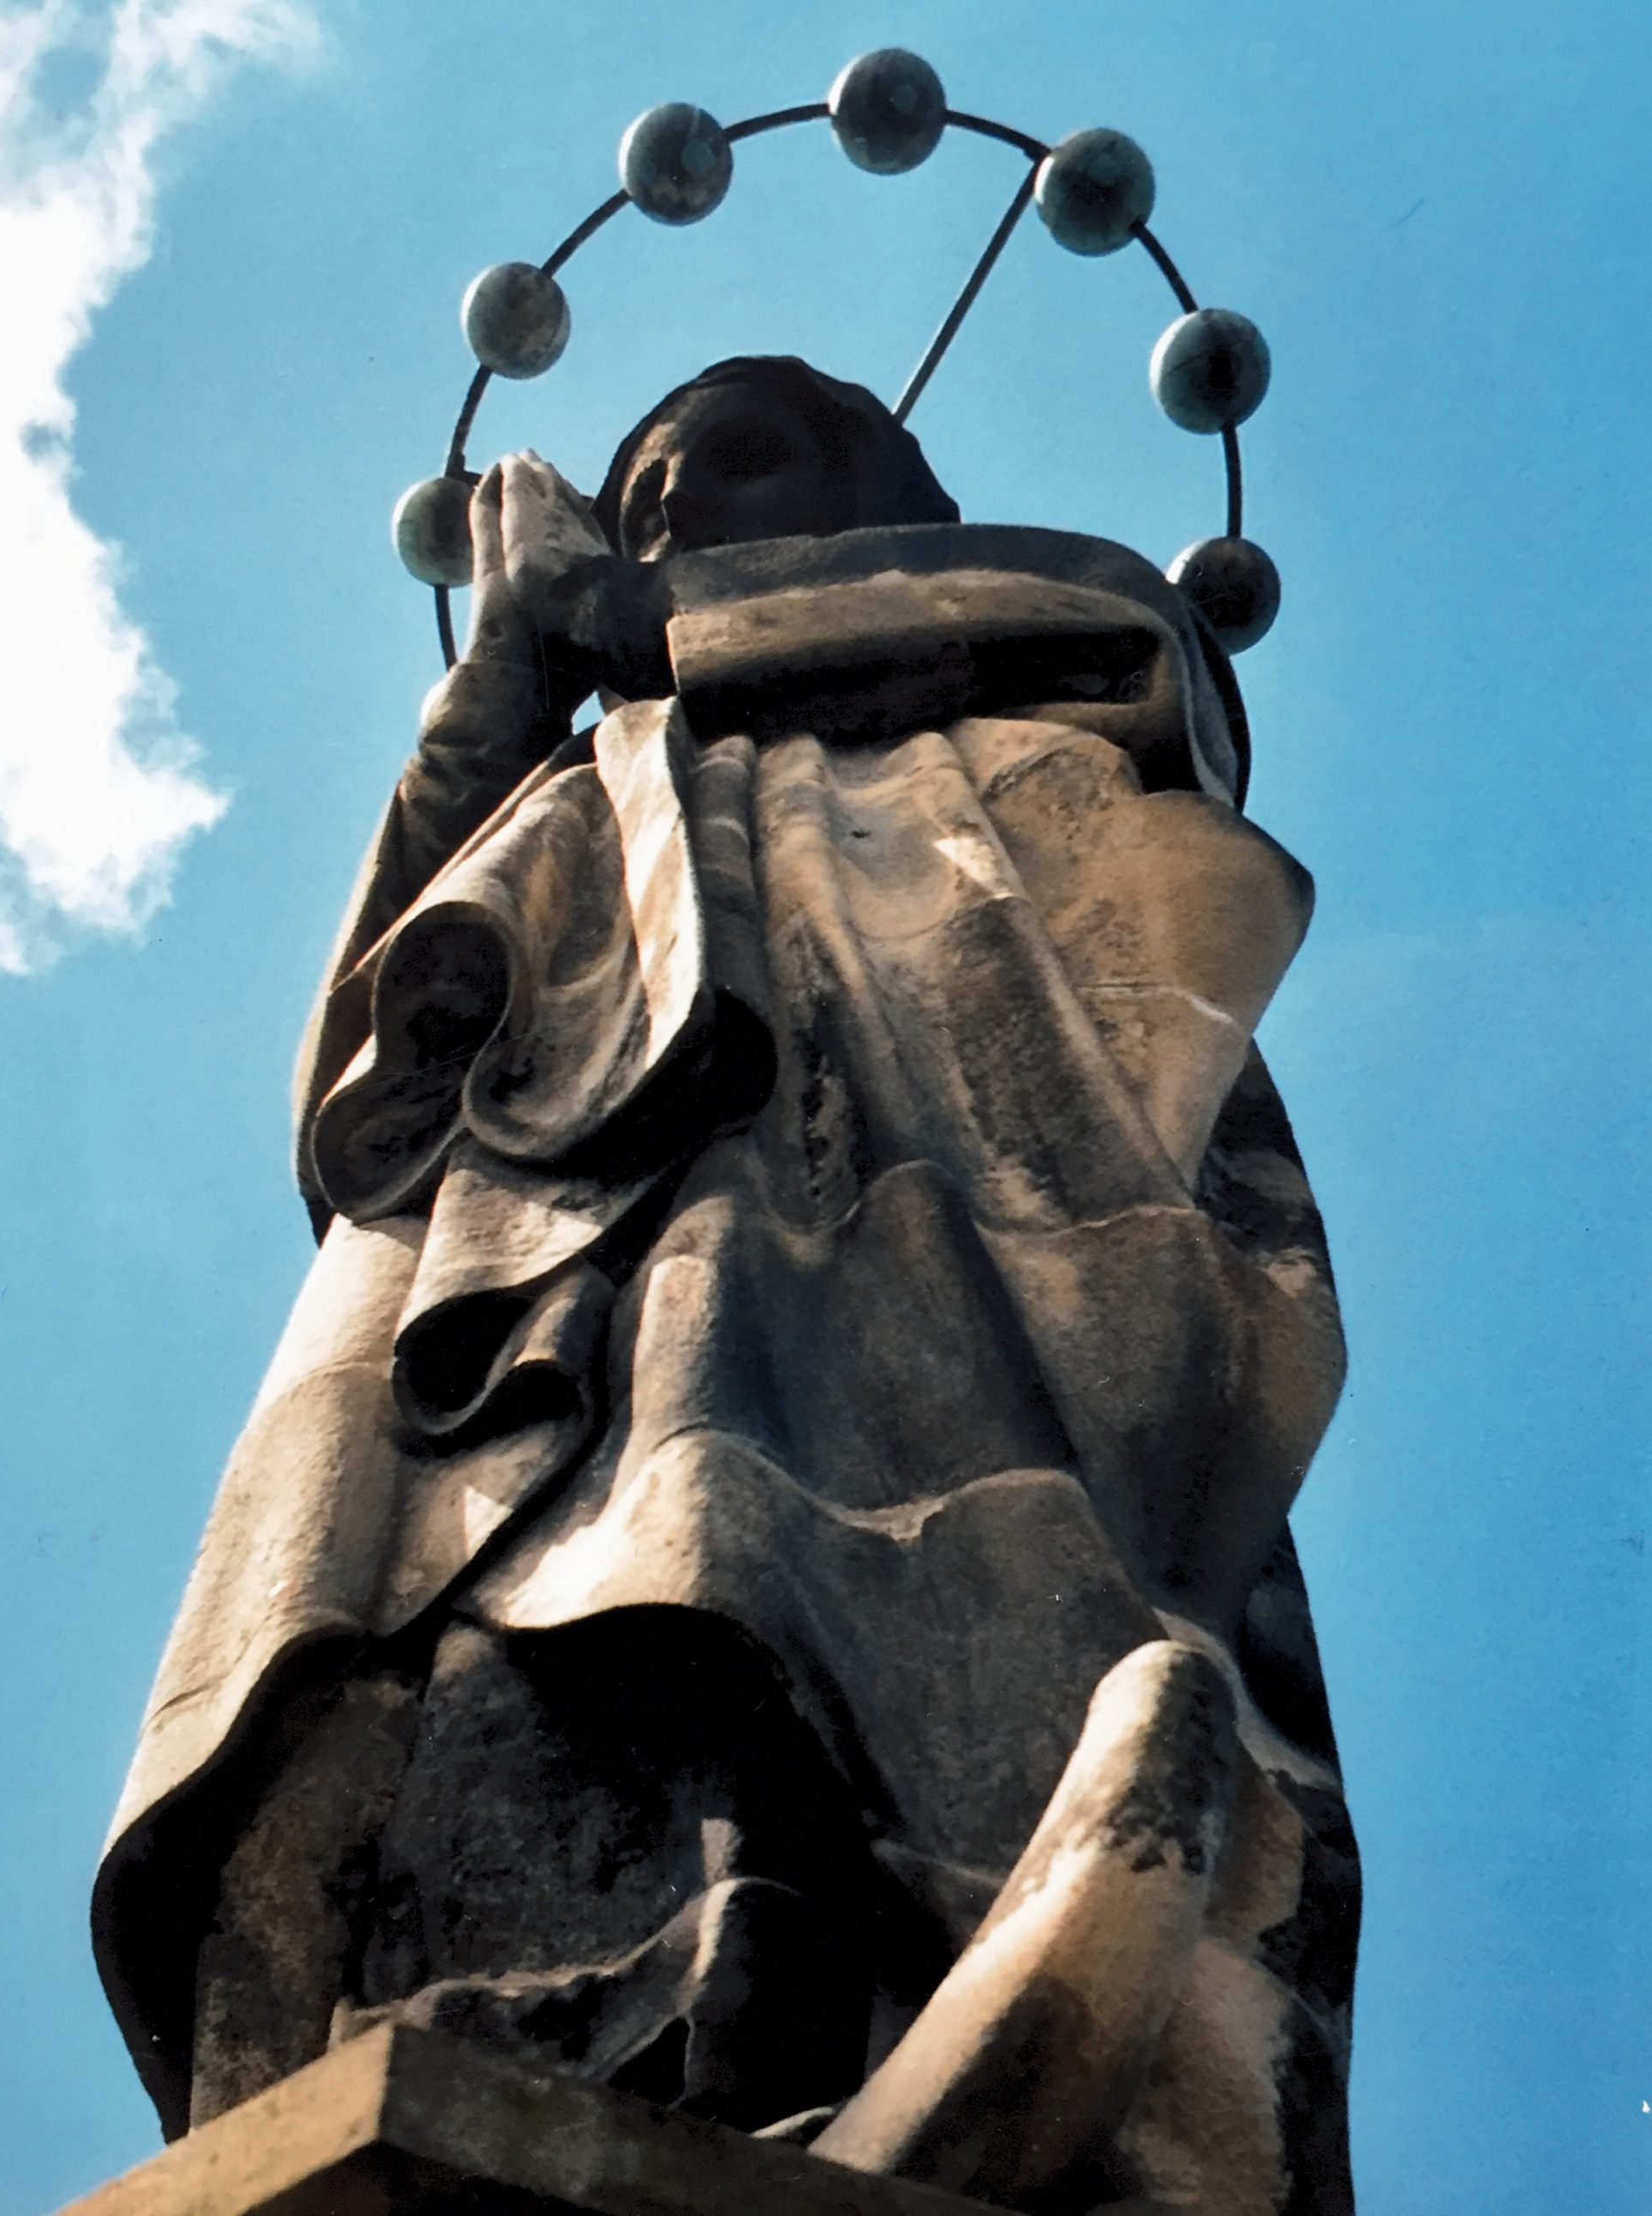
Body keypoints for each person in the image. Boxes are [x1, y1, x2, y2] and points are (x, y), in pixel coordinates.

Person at [94, 358, 1359, 2214]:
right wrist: (508, 671)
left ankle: (839, 1995)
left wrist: (625, 614)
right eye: (646, 484)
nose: (675, 501)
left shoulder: (1020, 643)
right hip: (542, 1226)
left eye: (731, 458)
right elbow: (360, 1084)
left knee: (802, 1523)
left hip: (897, 1157)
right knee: (500, 1577)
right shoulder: (583, 781)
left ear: (879, 494)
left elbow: (1128, 644)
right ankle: (497, 2005)